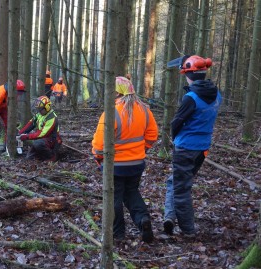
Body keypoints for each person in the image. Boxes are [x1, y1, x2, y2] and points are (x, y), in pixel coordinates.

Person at [91, 76, 158, 243]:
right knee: (131, 192)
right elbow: (152, 135)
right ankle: (143, 219)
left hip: (115, 166)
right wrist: (142, 150)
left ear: (116, 92)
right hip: (136, 164)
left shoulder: (111, 112)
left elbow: (99, 146)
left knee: (115, 198)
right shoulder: (144, 110)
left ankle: (118, 234)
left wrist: (98, 157)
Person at [163, 55, 221, 237]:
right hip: (202, 148)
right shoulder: (217, 94)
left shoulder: (191, 98)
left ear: (188, 74)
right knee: (177, 181)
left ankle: (188, 230)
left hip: (185, 148)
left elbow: (176, 122)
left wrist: (174, 138)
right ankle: (169, 217)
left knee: (181, 189)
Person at [18, 96, 62, 161]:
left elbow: (42, 134)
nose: (39, 111)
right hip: (43, 139)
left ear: (47, 108)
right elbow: (31, 123)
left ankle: (52, 157)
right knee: (29, 158)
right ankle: (41, 155)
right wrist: (20, 133)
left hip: (52, 140)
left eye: (40, 109)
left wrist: (26, 137)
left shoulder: (52, 118)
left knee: (38, 143)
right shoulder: (40, 114)